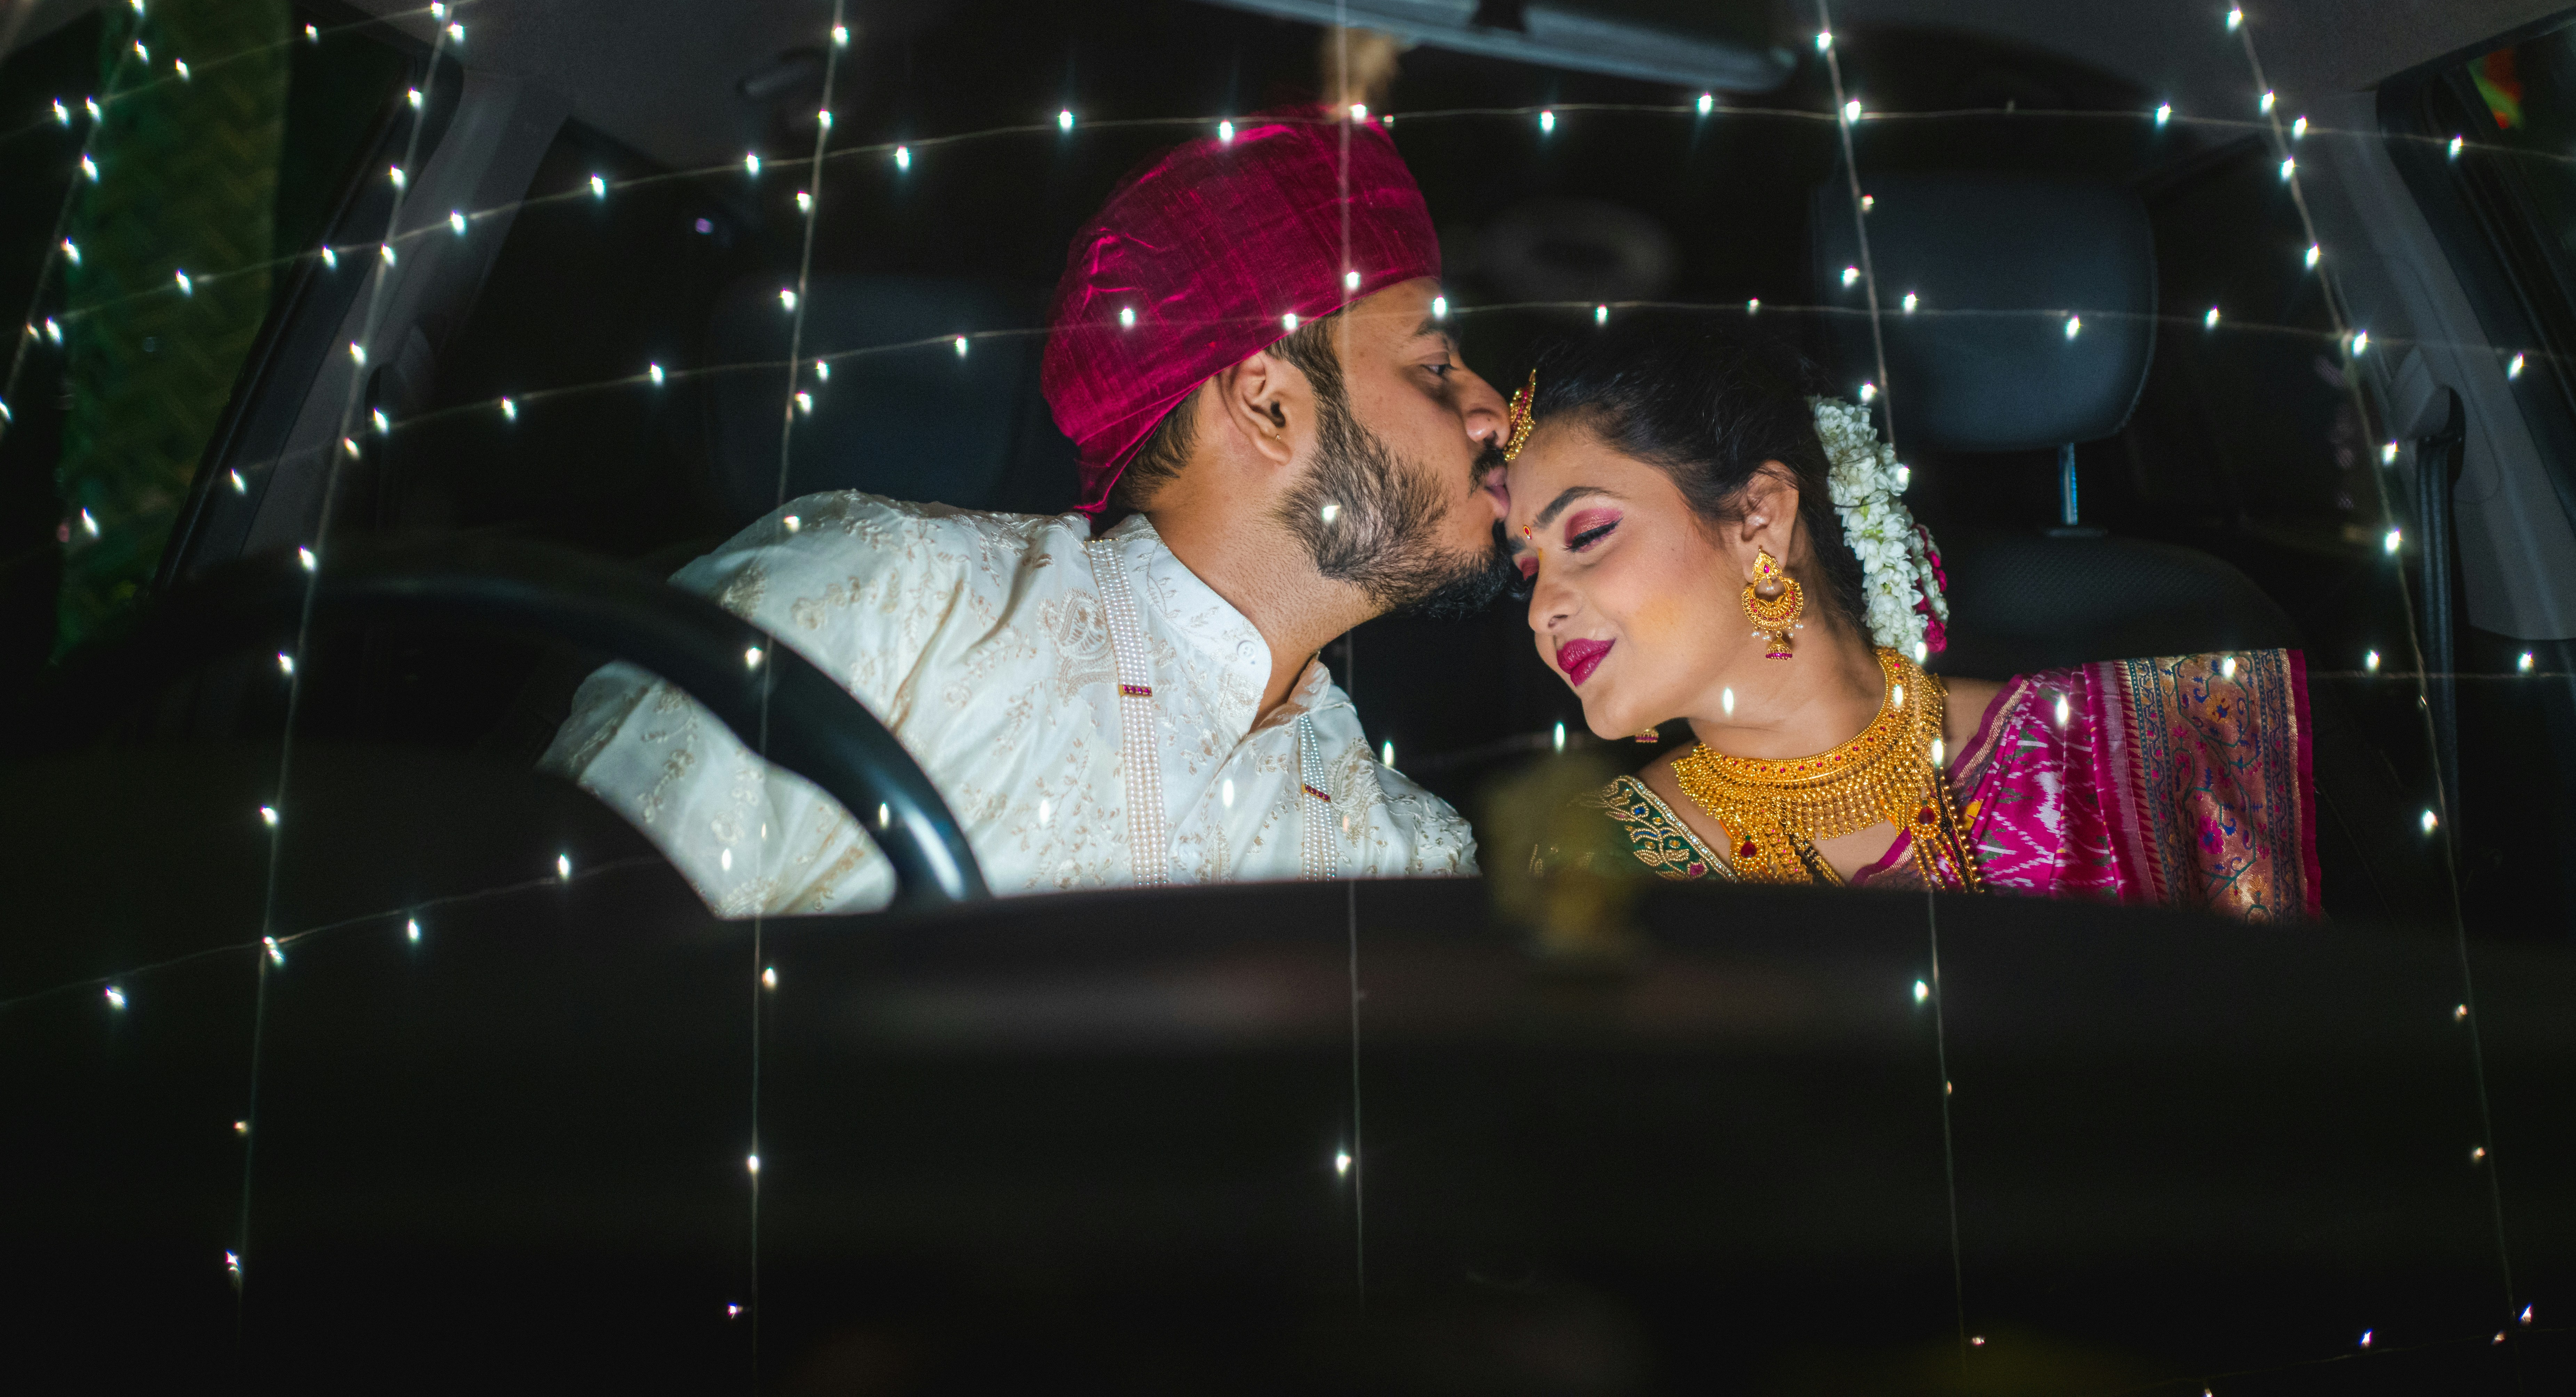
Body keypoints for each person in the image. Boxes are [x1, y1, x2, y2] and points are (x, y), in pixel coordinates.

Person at [543, 111, 1516, 912]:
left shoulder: (1410, 859)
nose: (1493, 412)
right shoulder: (891, 606)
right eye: (1436, 366)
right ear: (1268, 404)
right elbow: (550, 989)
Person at [1500, 316, 2319, 918]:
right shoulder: (1597, 863)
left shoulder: (2151, 746)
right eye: (1528, 572)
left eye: (1588, 535)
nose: (1543, 611)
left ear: (1759, 517)